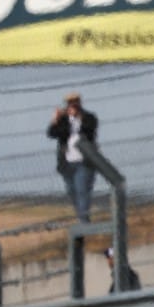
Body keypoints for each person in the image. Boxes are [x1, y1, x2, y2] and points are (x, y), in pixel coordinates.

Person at [47, 92, 98, 223]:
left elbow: (89, 130)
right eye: (70, 103)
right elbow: (52, 133)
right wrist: (55, 119)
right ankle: (81, 216)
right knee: (72, 191)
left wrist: (77, 118)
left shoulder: (88, 117)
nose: (73, 105)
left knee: (82, 189)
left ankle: (83, 220)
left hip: (84, 161)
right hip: (67, 162)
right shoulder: (64, 120)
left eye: (75, 102)